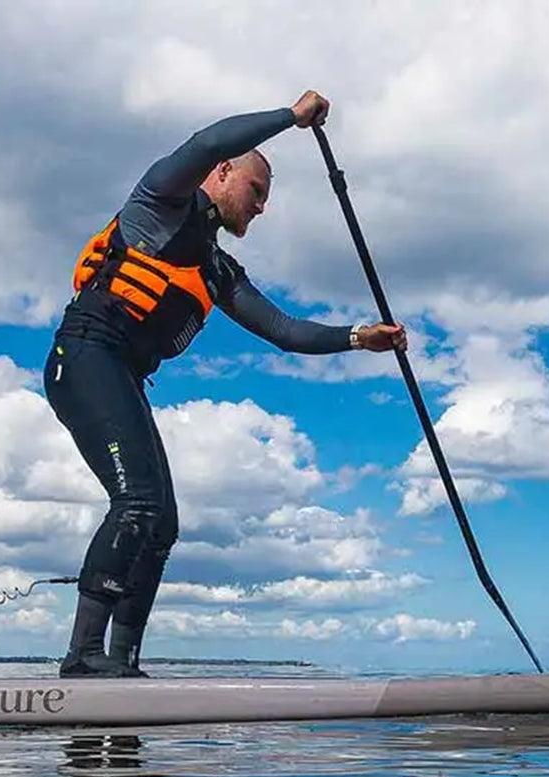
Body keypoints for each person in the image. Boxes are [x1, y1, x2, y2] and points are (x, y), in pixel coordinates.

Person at [43, 90, 407, 677]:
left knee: (163, 523)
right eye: (256, 192)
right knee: (137, 503)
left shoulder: (216, 269)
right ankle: (81, 658)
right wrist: (291, 118)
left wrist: (360, 336)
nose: (261, 208)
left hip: (123, 375)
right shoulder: (161, 201)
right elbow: (208, 140)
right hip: (83, 356)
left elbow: (285, 331)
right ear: (223, 175)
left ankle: (122, 661)